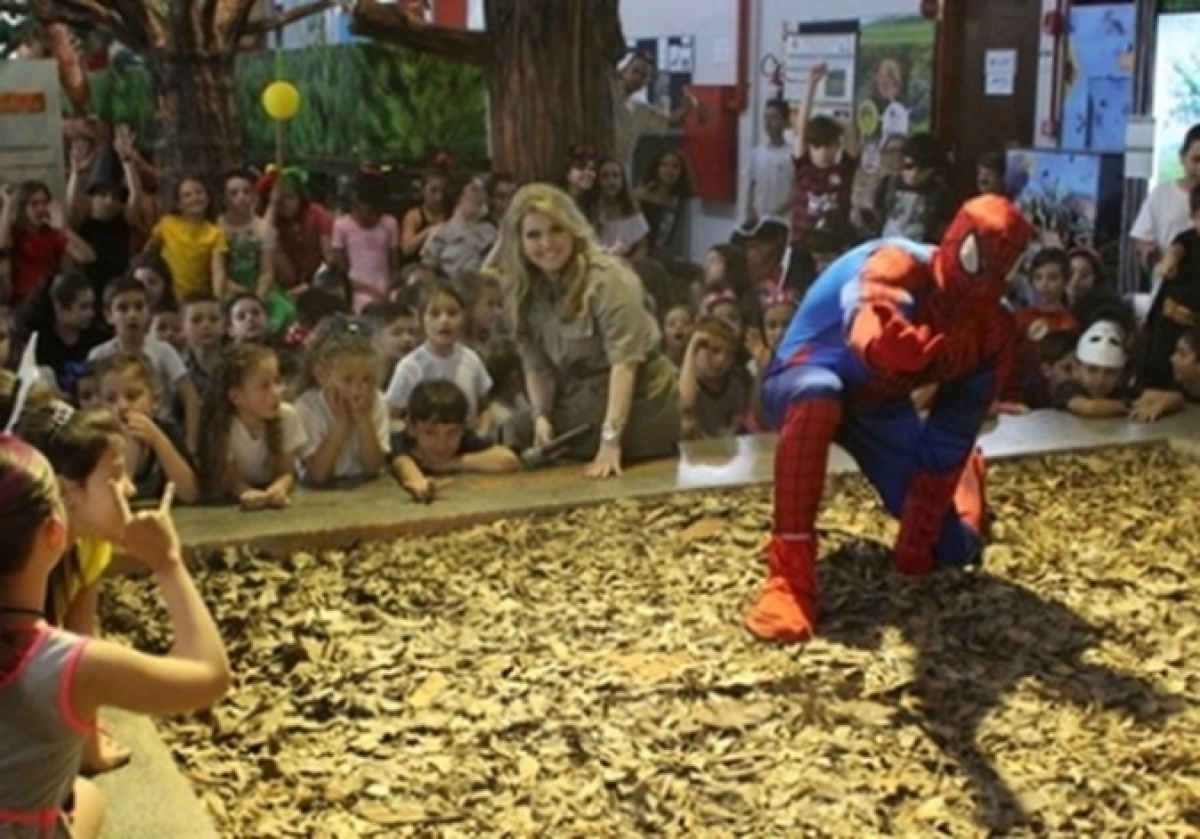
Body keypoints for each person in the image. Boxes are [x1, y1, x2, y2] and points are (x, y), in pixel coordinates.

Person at [745, 194, 1033, 644]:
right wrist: (880, 345)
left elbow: (953, 429)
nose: (981, 283)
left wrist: (918, 541)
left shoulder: (991, 330)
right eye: (979, 259)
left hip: (880, 406)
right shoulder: (896, 261)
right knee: (819, 393)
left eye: (1002, 268)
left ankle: (967, 485)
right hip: (803, 375)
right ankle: (788, 578)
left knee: (950, 549)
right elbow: (869, 303)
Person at [0, 433, 230, 838]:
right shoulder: (71, 666)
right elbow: (210, 675)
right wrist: (167, 563)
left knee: (86, 796)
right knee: (88, 799)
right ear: (54, 534)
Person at [497, 184, 681, 478]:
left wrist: (610, 440)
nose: (547, 243)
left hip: (640, 400)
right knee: (521, 431)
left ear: (573, 229)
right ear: (518, 241)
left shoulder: (609, 280)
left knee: (515, 434)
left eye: (556, 230)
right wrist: (541, 415)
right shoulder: (525, 290)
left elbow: (626, 363)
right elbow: (537, 366)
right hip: (582, 396)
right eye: (533, 235)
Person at [197, 343, 305, 509]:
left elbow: (286, 470)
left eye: (277, 381)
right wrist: (245, 492)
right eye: (264, 386)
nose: (277, 392)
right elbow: (229, 477)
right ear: (236, 397)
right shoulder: (224, 426)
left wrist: (278, 489)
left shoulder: (287, 416)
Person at [390, 379, 519, 503]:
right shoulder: (401, 442)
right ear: (411, 427)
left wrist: (447, 464)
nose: (441, 444)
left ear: (463, 429)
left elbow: (509, 460)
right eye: (430, 433)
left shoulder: (465, 439)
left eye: (451, 433)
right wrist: (420, 483)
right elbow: (403, 464)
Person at [738, 99, 795, 236]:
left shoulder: (792, 155)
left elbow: (796, 190)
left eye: (774, 117)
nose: (768, 123)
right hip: (759, 220)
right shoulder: (757, 153)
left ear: (785, 121)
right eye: (766, 117)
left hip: (783, 220)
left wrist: (775, 213)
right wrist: (750, 209)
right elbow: (751, 184)